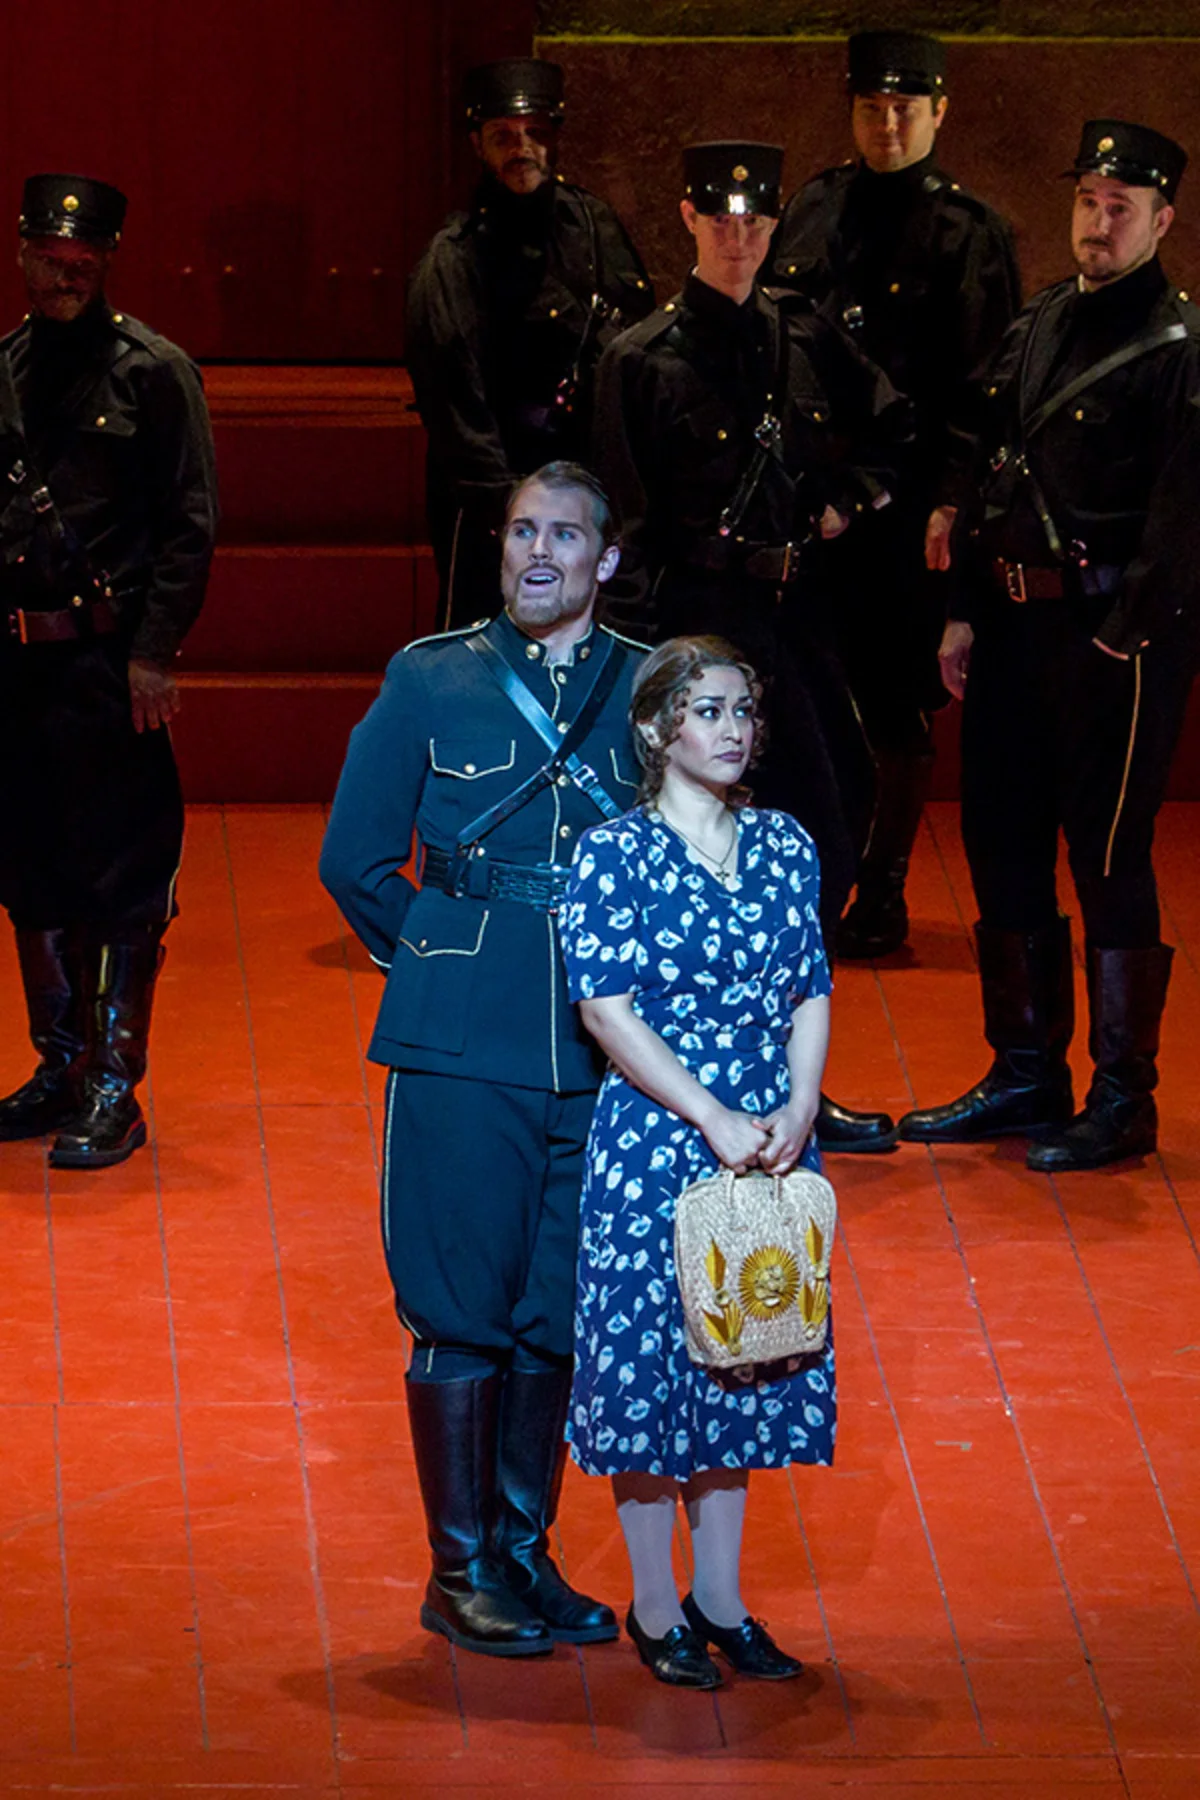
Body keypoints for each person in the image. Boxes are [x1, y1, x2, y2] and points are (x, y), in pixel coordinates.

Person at [319, 462, 645, 1658]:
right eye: (520, 532)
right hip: (459, 1046)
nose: (538, 553)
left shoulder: (652, 687)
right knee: (460, 1308)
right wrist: (442, 964)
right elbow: (355, 859)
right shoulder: (430, 676)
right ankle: (457, 1570)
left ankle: (522, 1549)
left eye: (564, 534)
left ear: (606, 560)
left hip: (604, 1049)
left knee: (554, 1311)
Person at [593, 139, 912, 1155]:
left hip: (794, 617)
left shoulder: (810, 340)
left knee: (830, 814)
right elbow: (623, 523)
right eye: (721, 218)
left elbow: (896, 433)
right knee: (693, 848)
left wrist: (847, 501)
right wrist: (646, 674)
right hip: (693, 619)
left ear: (775, 229)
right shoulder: (638, 358)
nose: (739, 235)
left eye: (757, 222)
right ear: (687, 219)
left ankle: (789, 1073)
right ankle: (684, 1076)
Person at [899, 120, 1200, 1171]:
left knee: (1109, 857)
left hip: (1112, 638)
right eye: (1088, 201)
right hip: (1018, 625)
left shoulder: (1177, 350)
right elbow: (989, 461)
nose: (1099, 221)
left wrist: (1127, 638)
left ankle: (1125, 1094)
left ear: (1162, 221)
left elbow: (1183, 518)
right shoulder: (1036, 325)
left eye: (1123, 207)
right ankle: (1028, 1069)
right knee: (1001, 839)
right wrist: (969, 609)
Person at [559, 635, 833, 1689]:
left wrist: (799, 1102)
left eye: (742, 711)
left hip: (764, 1137)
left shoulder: (784, 844)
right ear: (656, 728)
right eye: (709, 711)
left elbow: (809, 980)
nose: (732, 731)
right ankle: (657, 1603)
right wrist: (708, 1111)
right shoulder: (614, 854)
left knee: (743, 1361)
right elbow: (604, 1005)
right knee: (651, 1379)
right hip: (659, 1141)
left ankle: (721, 1599)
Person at [770, 30, 1020, 957]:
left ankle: (882, 886)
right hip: (809, 495)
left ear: (939, 111)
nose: (885, 122)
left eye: (904, 108)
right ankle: (807, 874)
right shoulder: (813, 208)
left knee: (893, 697)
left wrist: (955, 502)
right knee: (797, 691)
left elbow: (983, 389)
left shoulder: (969, 232)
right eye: (871, 107)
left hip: (910, 508)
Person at [0, 174, 218, 1169]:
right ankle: (59, 1067)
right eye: (49, 256)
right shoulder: (2, 370)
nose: (64, 274)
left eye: (82, 260)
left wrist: (153, 655)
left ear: (108, 262)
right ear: (22, 256)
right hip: (15, 669)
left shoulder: (155, 373)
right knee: (30, 873)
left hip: (105, 669)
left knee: (121, 882)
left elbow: (189, 526)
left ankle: (114, 1087)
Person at [406, 58, 653, 630]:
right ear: (478, 144)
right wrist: (514, 512)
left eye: (536, 133)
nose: (522, 149)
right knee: (488, 663)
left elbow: (639, 352)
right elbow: (455, 407)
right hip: (496, 496)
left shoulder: (595, 226)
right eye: (504, 137)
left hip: (588, 484)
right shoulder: (453, 258)